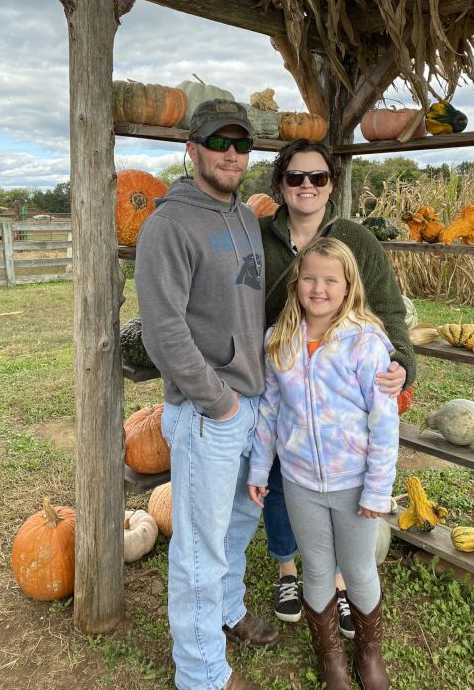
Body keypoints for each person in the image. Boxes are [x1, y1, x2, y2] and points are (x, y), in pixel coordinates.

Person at [135, 99, 278, 690]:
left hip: (249, 403)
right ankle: (200, 673)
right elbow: (163, 329)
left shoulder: (245, 217)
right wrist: (216, 402)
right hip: (206, 412)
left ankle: (227, 609)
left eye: (240, 144)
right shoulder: (169, 225)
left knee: (239, 523)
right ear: (191, 149)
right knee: (198, 547)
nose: (231, 153)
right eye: (217, 142)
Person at [258, 138, 416, 633]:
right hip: (281, 361)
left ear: (331, 184)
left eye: (318, 177)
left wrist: (402, 361)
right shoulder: (259, 235)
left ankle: (341, 589)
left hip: (334, 378)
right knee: (284, 482)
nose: (307, 186)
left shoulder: (356, 239)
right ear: (281, 185)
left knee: (334, 487)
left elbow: (387, 308)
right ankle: (289, 571)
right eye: (296, 177)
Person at [248, 237, 398, 690]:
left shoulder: (365, 344)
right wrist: (259, 468)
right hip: (300, 482)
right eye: (309, 278)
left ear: (348, 285)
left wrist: (377, 488)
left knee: (356, 571)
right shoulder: (278, 342)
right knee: (315, 569)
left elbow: (384, 422)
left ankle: (369, 655)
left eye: (331, 280)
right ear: (296, 283)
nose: (319, 288)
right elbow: (269, 412)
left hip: (354, 484)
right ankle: (332, 657)